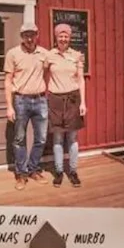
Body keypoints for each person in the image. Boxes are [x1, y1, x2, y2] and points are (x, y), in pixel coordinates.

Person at [4, 23, 50, 190]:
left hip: (40, 100)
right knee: (19, 139)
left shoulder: (44, 54)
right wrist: (9, 106)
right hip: (20, 101)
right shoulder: (13, 54)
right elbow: (8, 81)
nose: (29, 38)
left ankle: (33, 169)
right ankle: (21, 174)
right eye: (26, 35)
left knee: (41, 138)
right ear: (21, 36)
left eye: (32, 35)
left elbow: (50, 71)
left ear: (37, 35)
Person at [45, 23, 87, 187]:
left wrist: (83, 102)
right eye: (60, 36)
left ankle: (73, 171)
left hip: (73, 99)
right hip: (55, 99)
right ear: (56, 37)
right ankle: (59, 171)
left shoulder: (77, 55)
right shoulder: (49, 55)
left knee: (72, 138)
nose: (63, 39)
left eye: (66, 36)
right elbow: (42, 74)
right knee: (57, 138)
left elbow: (81, 80)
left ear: (69, 38)